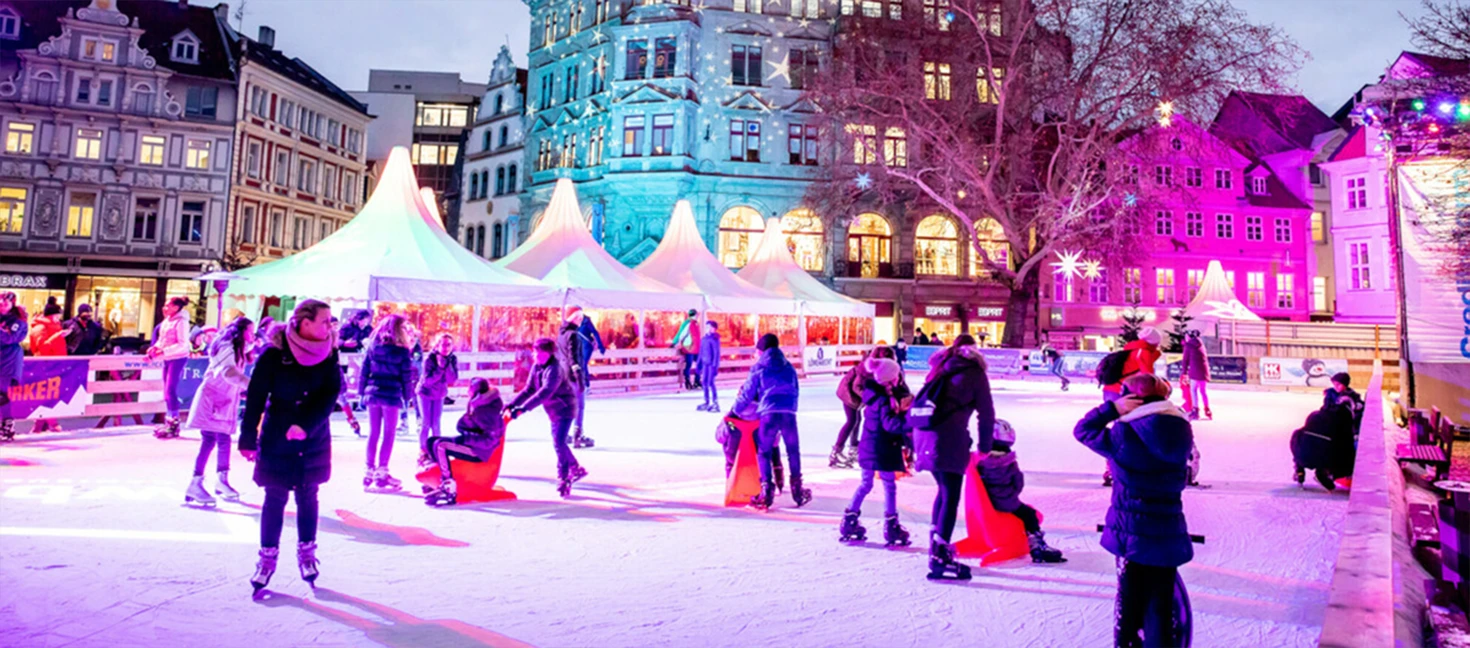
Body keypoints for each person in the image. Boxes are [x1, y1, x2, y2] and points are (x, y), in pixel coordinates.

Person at [1073, 373, 1194, 647]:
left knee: (1129, 604)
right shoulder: (1181, 429)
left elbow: (1083, 430)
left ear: (1131, 399)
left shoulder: (1124, 433)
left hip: (1131, 530)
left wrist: (1112, 409)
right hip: (1168, 529)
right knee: (1161, 606)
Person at [239, 300, 342, 592]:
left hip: (313, 435)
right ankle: (266, 560)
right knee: (275, 495)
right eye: (325, 321)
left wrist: (306, 426)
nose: (329, 326)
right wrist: (248, 438)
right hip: (277, 434)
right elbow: (256, 395)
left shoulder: (329, 354)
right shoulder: (274, 354)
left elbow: (330, 394)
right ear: (304, 322)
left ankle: (307, 554)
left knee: (308, 493)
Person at [914, 334, 994, 580]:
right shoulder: (975, 373)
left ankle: (935, 544)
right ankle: (939, 557)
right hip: (948, 439)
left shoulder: (939, 368)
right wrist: (985, 446)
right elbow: (986, 413)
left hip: (923, 435)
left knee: (943, 490)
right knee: (950, 496)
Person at [839, 356, 913, 546]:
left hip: (869, 448)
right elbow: (890, 425)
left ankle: (849, 519)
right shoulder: (883, 400)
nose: (899, 379)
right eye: (896, 376)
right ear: (889, 379)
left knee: (866, 484)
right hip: (882, 449)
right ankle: (891, 525)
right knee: (889, 485)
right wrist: (908, 420)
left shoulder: (875, 396)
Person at [731, 333, 810, 509]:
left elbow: (747, 394)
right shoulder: (788, 366)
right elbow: (796, 389)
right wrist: (790, 406)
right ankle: (797, 488)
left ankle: (766, 490)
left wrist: (734, 411)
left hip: (769, 414)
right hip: (789, 413)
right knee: (793, 451)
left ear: (762, 350)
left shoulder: (758, 367)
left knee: (764, 452)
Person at [182, 317, 254, 506]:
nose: (253, 336)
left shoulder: (236, 347)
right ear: (241, 332)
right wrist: (252, 386)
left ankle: (220, 481)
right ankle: (196, 482)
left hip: (222, 399)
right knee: (210, 440)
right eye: (250, 331)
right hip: (213, 399)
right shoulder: (227, 347)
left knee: (221, 439)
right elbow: (228, 372)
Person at [507, 337, 586, 498]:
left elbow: (545, 392)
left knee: (559, 442)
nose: (534, 355)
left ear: (547, 353)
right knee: (559, 443)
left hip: (565, 408)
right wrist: (512, 404)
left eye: (537, 352)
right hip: (553, 410)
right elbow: (529, 390)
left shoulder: (555, 370)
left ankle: (564, 477)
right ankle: (575, 468)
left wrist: (523, 409)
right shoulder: (537, 367)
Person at [977, 420, 1066, 562]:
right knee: (1030, 514)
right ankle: (1037, 546)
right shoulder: (1008, 462)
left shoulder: (980, 461)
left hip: (986, 502)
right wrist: (1012, 494)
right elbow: (1018, 483)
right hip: (1006, 502)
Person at [425, 378, 506, 507]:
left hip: (479, 451)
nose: (467, 391)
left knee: (441, 446)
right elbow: (464, 426)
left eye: (470, 388)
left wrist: (466, 438)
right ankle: (440, 480)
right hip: (473, 444)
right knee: (432, 441)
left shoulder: (488, 411)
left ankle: (448, 487)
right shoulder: (478, 404)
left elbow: (489, 440)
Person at [358, 314, 415, 492]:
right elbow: (406, 376)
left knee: (373, 432)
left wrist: (362, 392)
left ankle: (369, 470)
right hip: (391, 394)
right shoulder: (402, 351)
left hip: (373, 392)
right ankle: (382, 472)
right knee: (388, 433)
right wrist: (408, 396)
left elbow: (364, 370)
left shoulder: (373, 347)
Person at [832, 346, 902, 468]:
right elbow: (856, 387)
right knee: (851, 421)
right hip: (848, 395)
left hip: (856, 398)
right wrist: (871, 398)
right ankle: (836, 452)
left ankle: (853, 448)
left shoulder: (879, 368)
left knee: (856, 421)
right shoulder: (867, 369)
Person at [148, 297, 194, 439]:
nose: (164, 308)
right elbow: (162, 340)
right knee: (166, 392)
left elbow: (182, 344)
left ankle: (174, 423)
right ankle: (169, 421)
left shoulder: (182, 322)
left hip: (178, 358)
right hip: (168, 358)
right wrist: (154, 349)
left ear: (175, 307)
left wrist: (164, 351)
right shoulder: (167, 321)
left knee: (170, 390)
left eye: (167, 305)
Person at [416, 333, 460, 465]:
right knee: (426, 422)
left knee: (436, 423)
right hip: (425, 393)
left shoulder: (452, 359)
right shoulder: (429, 359)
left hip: (439, 394)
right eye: (443, 344)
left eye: (449, 345)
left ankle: (435, 449)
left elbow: (452, 379)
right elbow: (427, 381)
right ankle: (423, 450)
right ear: (437, 345)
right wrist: (440, 369)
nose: (446, 347)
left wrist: (447, 367)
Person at [557, 307, 595, 449]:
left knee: (567, 406)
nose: (580, 320)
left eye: (581, 317)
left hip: (563, 375)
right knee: (579, 405)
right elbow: (574, 358)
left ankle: (564, 433)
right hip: (572, 376)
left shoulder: (561, 333)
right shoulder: (574, 335)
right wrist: (580, 378)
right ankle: (577, 435)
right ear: (572, 318)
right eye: (578, 317)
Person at [1102, 327, 1162, 402]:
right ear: (1154, 342)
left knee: (1111, 413)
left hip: (1110, 389)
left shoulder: (1132, 349)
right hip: (1122, 391)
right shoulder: (1143, 352)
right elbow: (1148, 377)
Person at [0, 292, 26, 440]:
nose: (2, 306)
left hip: (8, 361)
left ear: (12, 304)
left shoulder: (18, 321)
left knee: (2, 393)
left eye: (5, 304)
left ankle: (7, 426)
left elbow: (11, 338)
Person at [1178, 330, 1210, 420]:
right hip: (1204, 372)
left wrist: (1184, 372)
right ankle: (1207, 409)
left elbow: (1185, 360)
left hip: (1195, 372)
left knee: (1193, 390)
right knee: (1203, 391)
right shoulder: (1201, 344)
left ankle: (1195, 410)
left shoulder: (1188, 346)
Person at [672, 308, 701, 390]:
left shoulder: (695, 324)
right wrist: (678, 342)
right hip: (689, 347)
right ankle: (688, 381)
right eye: (696, 315)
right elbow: (681, 334)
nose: (697, 316)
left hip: (696, 348)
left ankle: (697, 380)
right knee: (689, 364)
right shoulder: (688, 323)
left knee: (699, 363)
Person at [696, 320, 722, 412]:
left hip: (711, 364)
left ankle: (715, 402)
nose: (707, 329)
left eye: (710, 327)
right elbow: (701, 352)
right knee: (704, 382)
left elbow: (716, 353)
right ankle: (706, 401)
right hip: (704, 363)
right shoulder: (704, 339)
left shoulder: (715, 339)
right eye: (706, 327)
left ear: (714, 329)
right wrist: (698, 364)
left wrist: (715, 366)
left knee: (711, 382)